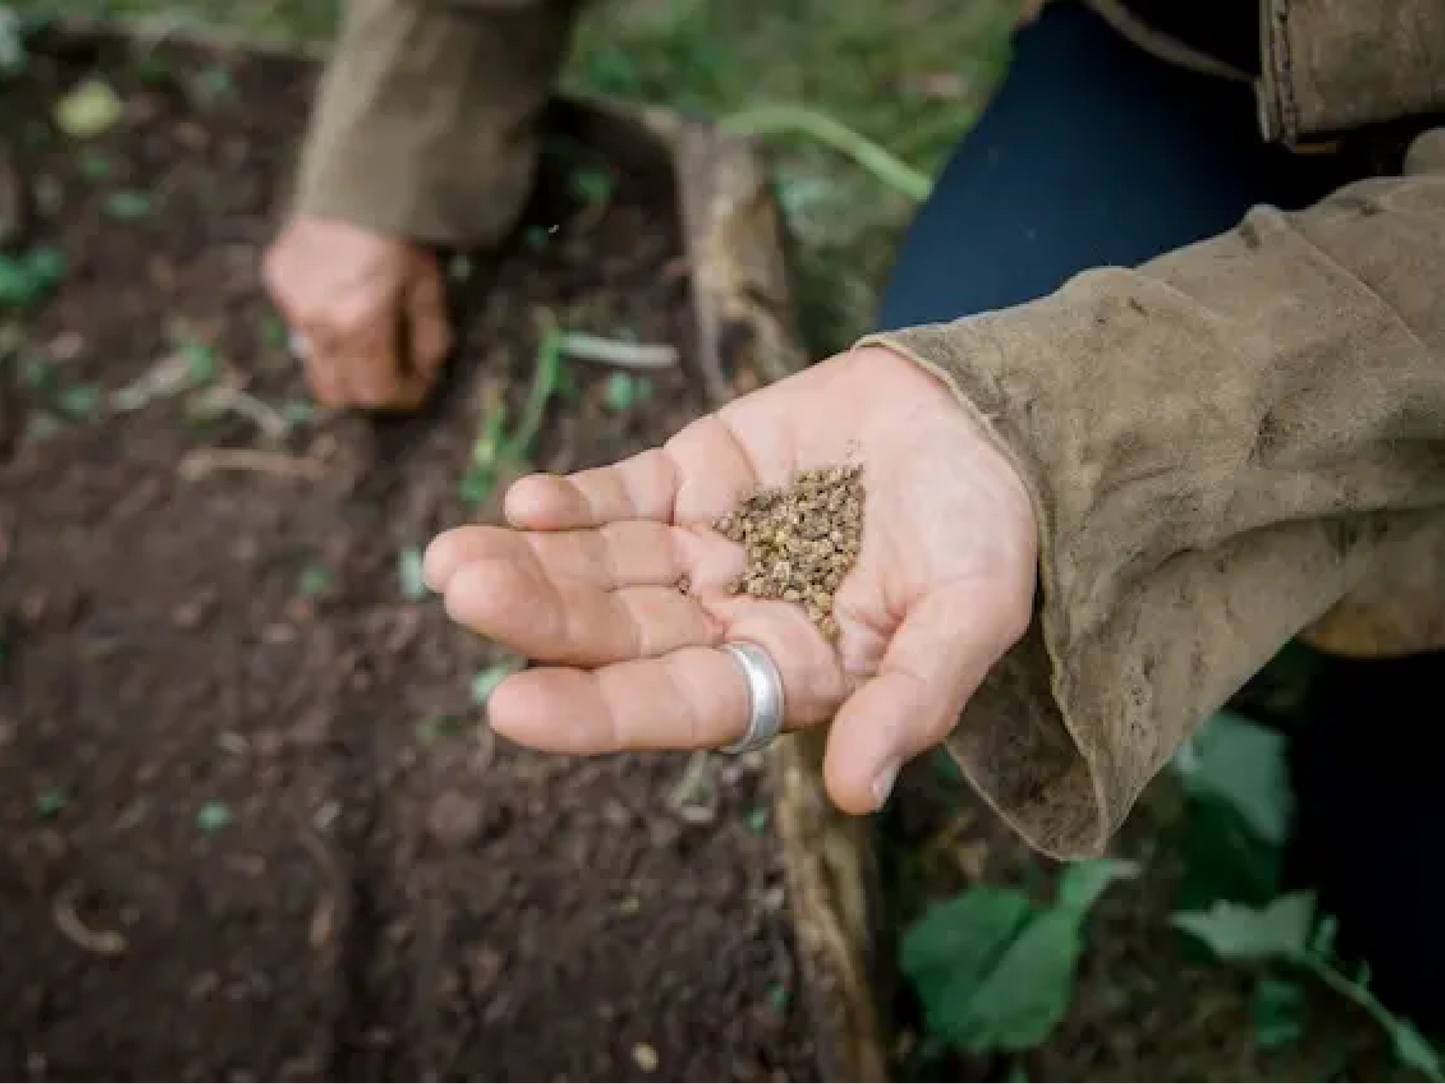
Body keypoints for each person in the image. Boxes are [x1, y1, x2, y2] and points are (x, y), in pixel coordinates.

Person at [276, 0, 1445, 1032]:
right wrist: (403, 144)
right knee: (966, 349)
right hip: (1189, 45)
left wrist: (1070, 414)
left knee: (1412, 916)